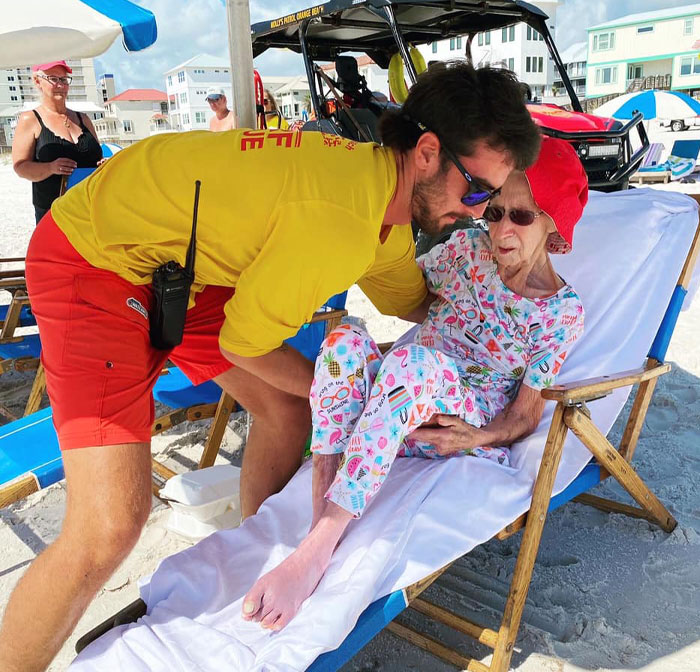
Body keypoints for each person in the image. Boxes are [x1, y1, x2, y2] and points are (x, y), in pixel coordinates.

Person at [0, 63, 540, 672]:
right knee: (109, 526)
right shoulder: (339, 219)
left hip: (179, 264)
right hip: (93, 256)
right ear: (427, 152)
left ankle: (256, 552)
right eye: (475, 193)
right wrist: (348, 395)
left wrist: (516, 300)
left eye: (493, 201)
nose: (477, 214)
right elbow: (245, 344)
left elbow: (418, 303)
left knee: (286, 409)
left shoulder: (382, 208)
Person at [242, 135, 586, 631]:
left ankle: (318, 548)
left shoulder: (559, 312)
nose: (502, 229)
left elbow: (526, 414)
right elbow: (399, 284)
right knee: (343, 343)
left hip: (452, 418)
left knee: (410, 366)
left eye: (522, 215)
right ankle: (323, 510)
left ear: (553, 224)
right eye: (494, 213)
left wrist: (478, 436)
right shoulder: (467, 250)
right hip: (395, 402)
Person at [11, 61, 102, 225]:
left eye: (64, 79)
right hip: (53, 213)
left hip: (91, 209)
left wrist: (103, 165)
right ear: (37, 81)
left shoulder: (84, 119)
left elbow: (97, 158)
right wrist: (50, 168)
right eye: (53, 79)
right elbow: (20, 167)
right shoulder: (30, 119)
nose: (60, 85)